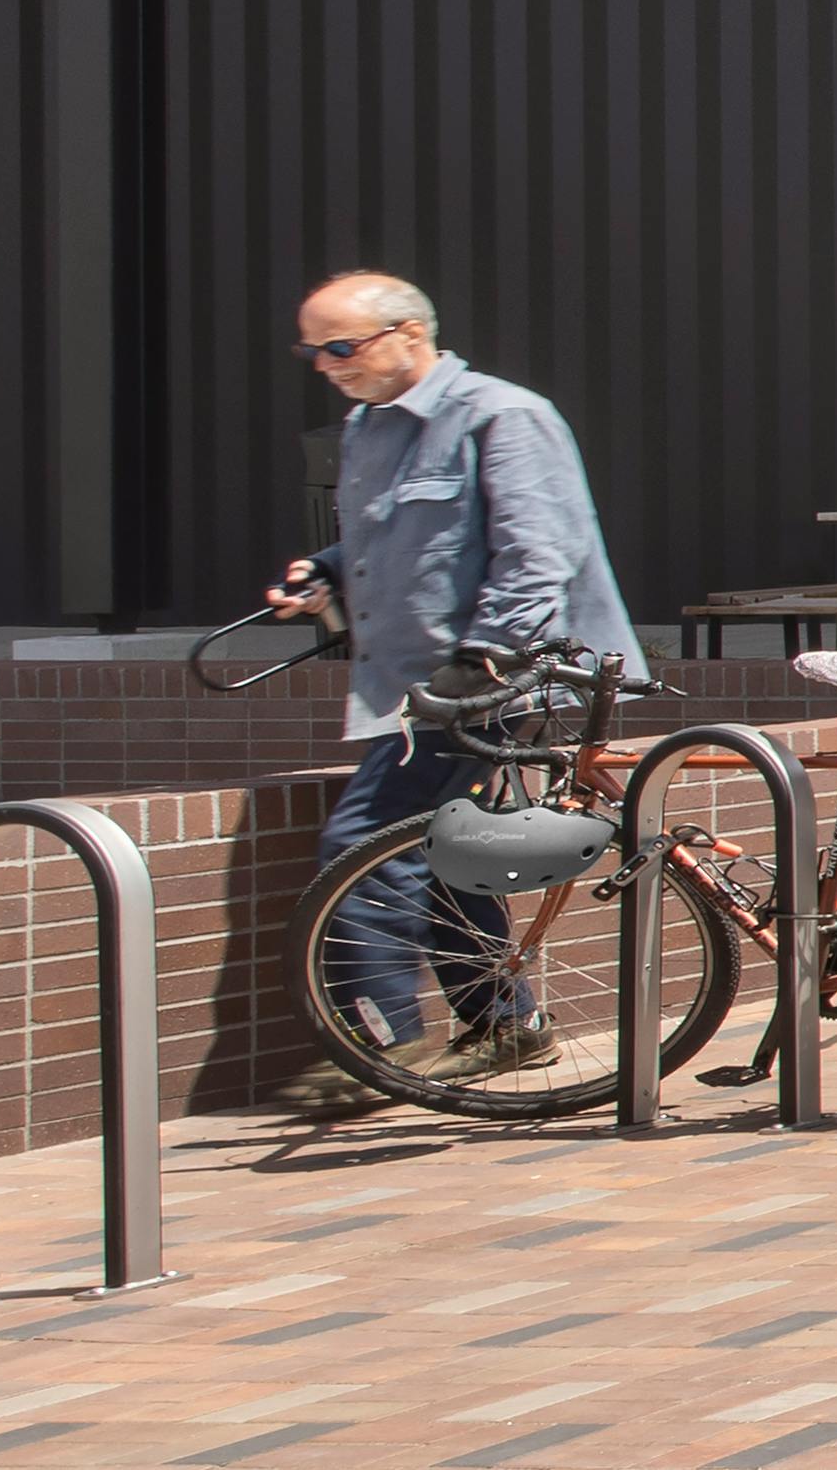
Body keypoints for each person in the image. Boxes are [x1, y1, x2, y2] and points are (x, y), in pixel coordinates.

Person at [267, 272, 642, 1108]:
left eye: (341, 346)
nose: (327, 366)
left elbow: (537, 553)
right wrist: (321, 571)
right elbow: (386, 538)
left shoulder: (502, 415)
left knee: (365, 844)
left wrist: (483, 664)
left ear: (408, 333)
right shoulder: (367, 427)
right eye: (313, 350)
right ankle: (505, 1023)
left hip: (492, 684)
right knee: (448, 850)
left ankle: (374, 1040)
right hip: (410, 689)